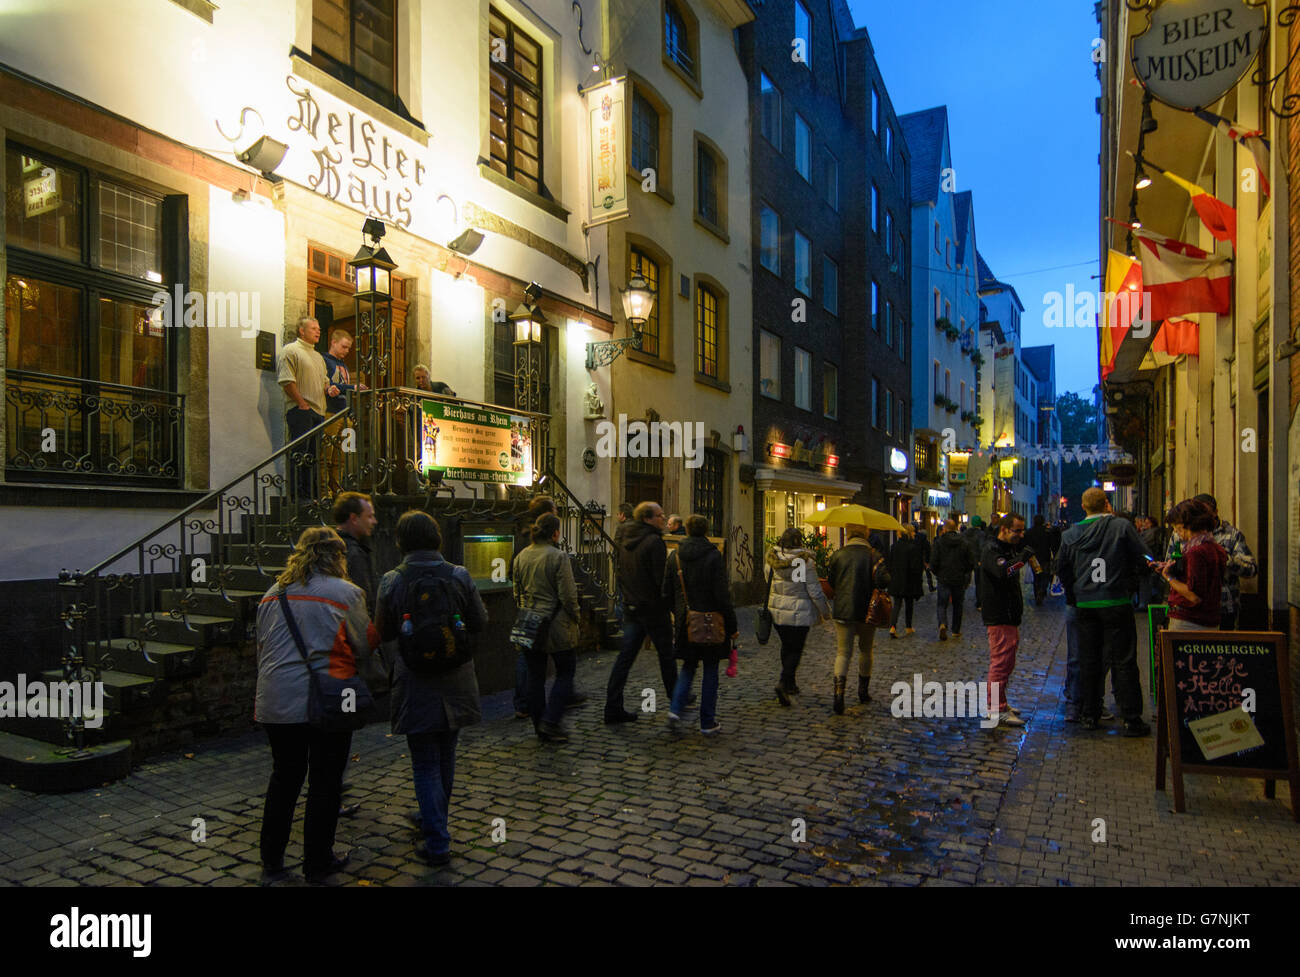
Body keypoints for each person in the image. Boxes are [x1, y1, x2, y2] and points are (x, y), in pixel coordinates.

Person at [255, 526, 374, 882]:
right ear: (338, 556)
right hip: (327, 699)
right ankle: (317, 861)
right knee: (325, 780)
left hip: (275, 698)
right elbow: (364, 645)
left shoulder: (272, 594)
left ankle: (272, 858)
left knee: (285, 777)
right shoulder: (346, 593)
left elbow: (262, 647)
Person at [375, 511, 487, 867]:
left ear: (401, 541)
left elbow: (384, 632)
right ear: (437, 537)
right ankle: (434, 822)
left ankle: (437, 840)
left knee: (424, 762)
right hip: (456, 675)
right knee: (446, 755)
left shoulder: (392, 580)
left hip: (414, 679)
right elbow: (480, 621)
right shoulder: (458, 574)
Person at [1056, 487, 1151, 736]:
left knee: (1089, 660)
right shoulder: (1120, 527)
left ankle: (1089, 714)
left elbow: (1062, 568)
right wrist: (1130, 586)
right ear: (1106, 504)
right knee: (1124, 660)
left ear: (1084, 507)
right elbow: (1144, 558)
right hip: (1115, 601)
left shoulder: (1071, 534)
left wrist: (1074, 594)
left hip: (1086, 603)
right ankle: (1131, 717)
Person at [604, 501, 679, 724]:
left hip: (633, 606)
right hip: (653, 609)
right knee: (667, 656)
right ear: (647, 518)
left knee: (624, 659)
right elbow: (660, 581)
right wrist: (669, 606)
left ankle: (612, 707)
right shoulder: (654, 542)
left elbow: (620, 571)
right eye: (659, 515)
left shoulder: (625, 536)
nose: (663, 519)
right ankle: (676, 701)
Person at [510, 512, 580, 743]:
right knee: (565, 671)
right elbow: (568, 595)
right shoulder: (558, 556)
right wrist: (575, 616)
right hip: (554, 623)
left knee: (535, 677)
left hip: (529, 621)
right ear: (556, 533)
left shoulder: (521, 556)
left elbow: (517, 591)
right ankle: (550, 722)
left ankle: (539, 724)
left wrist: (525, 610)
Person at [664, 515, 737, 734]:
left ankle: (675, 709)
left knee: (688, 666)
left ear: (685, 530)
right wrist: (732, 626)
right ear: (707, 531)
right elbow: (722, 595)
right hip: (711, 622)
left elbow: (666, 592)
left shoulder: (675, 556)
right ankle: (707, 721)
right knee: (711, 669)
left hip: (686, 622)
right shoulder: (714, 556)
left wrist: (678, 612)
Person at [765, 527, 831, 705]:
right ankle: (783, 682)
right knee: (795, 649)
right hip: (799, 612)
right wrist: (825, 612)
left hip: (777, 611)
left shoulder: (772, 559)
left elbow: (768, 580)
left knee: (787, 646)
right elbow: (813, 590)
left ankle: (790, 683)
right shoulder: (803, 562)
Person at [826, 526, 889, 714]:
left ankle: (839, 693)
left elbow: (831, 581)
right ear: (866, 534)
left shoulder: (838, 555)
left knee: (843, 652)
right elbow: (884, 580)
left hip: (843, 609)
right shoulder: (874, 555)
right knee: (866, 650)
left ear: (848, 534)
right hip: (867, 610)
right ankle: (863, 691)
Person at [980, 513, 1028, 728]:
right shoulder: (992, 549)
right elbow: (1004, 571)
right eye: (1017, 530)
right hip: (999, 613)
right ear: (1005, 528)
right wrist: (1022, 560)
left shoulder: (1006, 549)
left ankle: (1000, 703)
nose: (1021, 534)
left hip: (1008, 614)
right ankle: (995, 709)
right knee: (1000, 663)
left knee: (1007, 662)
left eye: (1022, 530)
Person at [1156, 499, 1227, 632]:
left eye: (1177, 529)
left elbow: (1194, 595)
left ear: (1186, 526)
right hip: (1211, 620)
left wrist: (1168, 576)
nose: (1177, 533)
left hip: (1189, 622)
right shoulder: (1216, 549)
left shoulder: (1196, 552)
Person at [277, 317, 329, 499]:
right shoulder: (291, 350)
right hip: (301, 410)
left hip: (318, 412)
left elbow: (324, 382)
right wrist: (301, 403)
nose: (318, 331)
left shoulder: (318, 357)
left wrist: (329, 389)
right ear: (301, 330)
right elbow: (286, 380)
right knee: (299, 453)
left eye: (319, 328)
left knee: (313, 456)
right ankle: (296, 495)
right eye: (313, 328)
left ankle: (311, 494)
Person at [1188, 493, 1257, 630]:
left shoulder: (1231, 535)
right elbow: (1171, 563)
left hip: (1224, 606)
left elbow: (1251, 569)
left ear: (1215, 513)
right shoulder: (1183, 533)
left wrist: (1225, 560)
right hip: (1191, 607)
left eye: (1205, 513)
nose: (1202, 518)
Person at [321, 329, 364, 498]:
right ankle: (325, 490)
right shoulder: (324, 360)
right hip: (330, 413)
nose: (347, 351)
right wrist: (352, 387)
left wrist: (352, 412)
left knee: (342, 455)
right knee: (326, 454)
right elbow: (328, 383)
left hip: (345, 414)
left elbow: (344, 390)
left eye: (349, 348)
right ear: (333, 342)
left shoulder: (344, 365)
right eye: (344, 347)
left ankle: (337, 487)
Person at [333, 492, 377, 617]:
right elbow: (361, 600)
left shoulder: (330, 547)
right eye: (369, 516)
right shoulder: (353, 553)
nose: (374, 521)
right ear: (354, 519)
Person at [931, 518, 974, 640]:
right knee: (957, 604)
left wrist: (937, 573)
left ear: (944, 529)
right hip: (959, 577)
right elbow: (970, 561)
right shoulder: (964, 542)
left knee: (941, 604)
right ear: (956, 528)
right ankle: (956, 630)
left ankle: (943, 624)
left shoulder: (939, 542)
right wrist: (964, 572)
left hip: (944, 577)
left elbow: (933, 561)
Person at [887, 525, 923, 637]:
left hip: (897, 579)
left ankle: (892, 627)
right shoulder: (913, 547)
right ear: (909, 533)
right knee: (909, 603)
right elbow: (916, 566)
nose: (914, 534)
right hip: (909, 580)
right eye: (913, 532)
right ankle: (908, 627)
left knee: (897, 604)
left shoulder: (894, 546)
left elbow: (889, 563)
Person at [1024, 513, 1055, 606]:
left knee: (1036, 576)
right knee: (1045, 576)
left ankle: (1037, 592)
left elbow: (1026, 544)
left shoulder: (1029, 532)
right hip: (1045, 557)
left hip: (1033, 557)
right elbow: (1052, 544)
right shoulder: (1047, 532)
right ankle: (1042, 590)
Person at [1135, 515, 1162, 610]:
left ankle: (1143, 604)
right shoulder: (1146, 532)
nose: (1144, 525)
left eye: (1147, 523)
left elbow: (1142, 544)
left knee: (1145, 582)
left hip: (1146, 561)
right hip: (1146, 560)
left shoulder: (1151, 533)